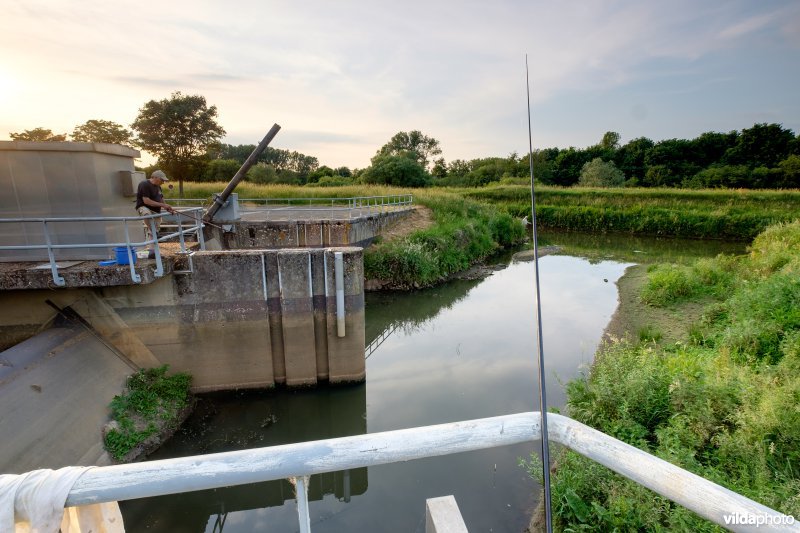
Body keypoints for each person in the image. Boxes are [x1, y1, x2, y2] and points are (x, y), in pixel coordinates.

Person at [135, 169, 175, 251]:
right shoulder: (144, 184)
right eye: (162, 180)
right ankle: (153, 231)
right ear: (156, 178)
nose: (163, 182)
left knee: (153, 231)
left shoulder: (158, 187)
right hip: (144, 207)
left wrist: (167, 207)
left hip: (156, 211)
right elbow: (146, 200)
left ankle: (152, 250)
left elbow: (161, 198)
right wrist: (163, 205)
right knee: (147, 215)